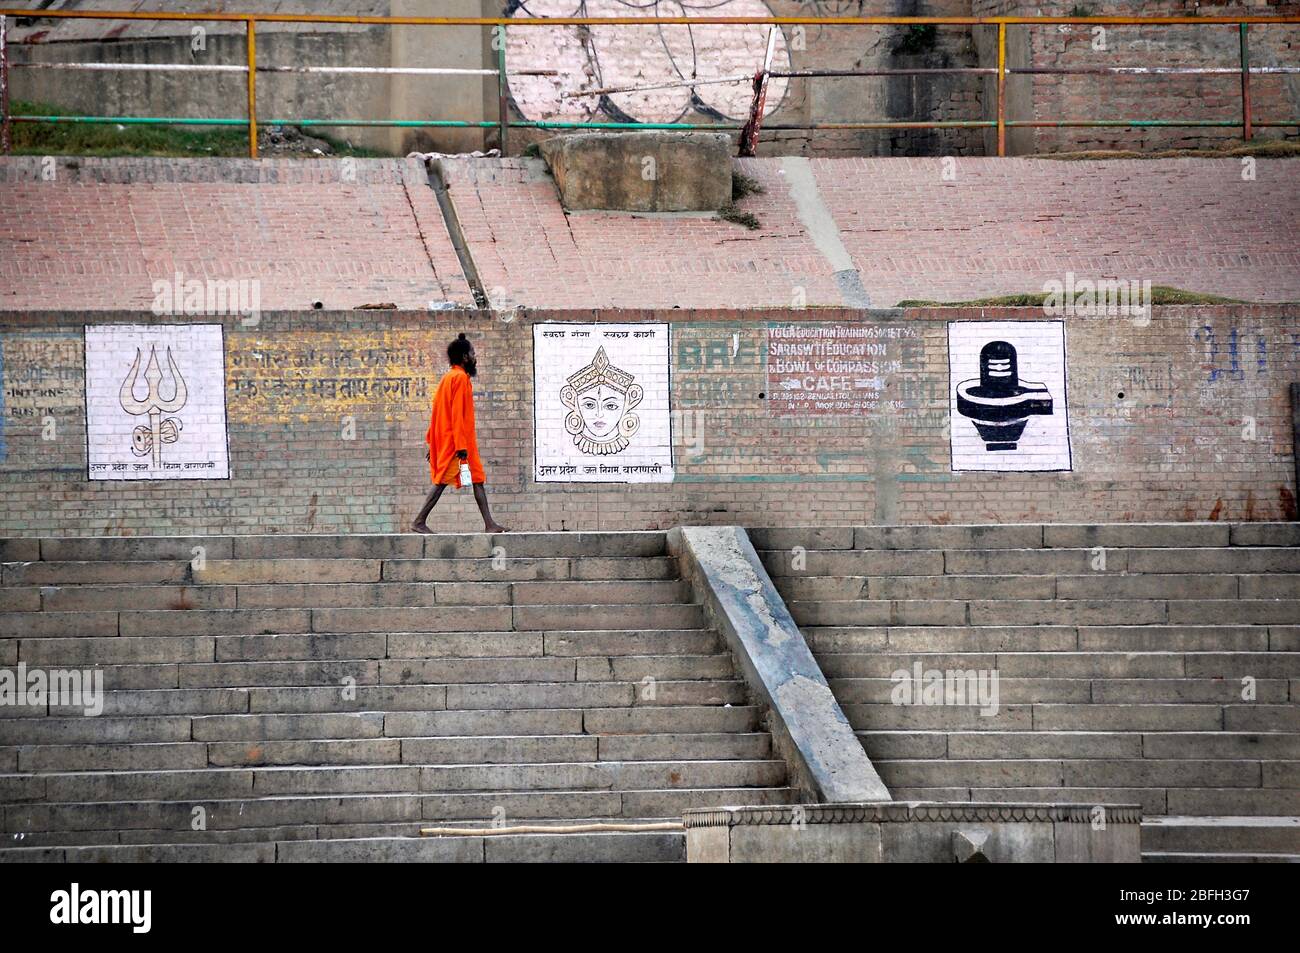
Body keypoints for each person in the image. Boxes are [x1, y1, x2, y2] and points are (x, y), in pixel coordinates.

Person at [411, 333, 508, 534]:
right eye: (472, 353)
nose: (475, 357)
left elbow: (438, 412)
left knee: (477, 478)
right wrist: (461, 448)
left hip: (455, 441)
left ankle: (489, 524)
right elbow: (456, 415)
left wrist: (434, 442)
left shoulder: (448, 378)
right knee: (441, 481)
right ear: (464, 357)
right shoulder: (460, 379)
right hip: (457, 443)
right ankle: (419, 521)